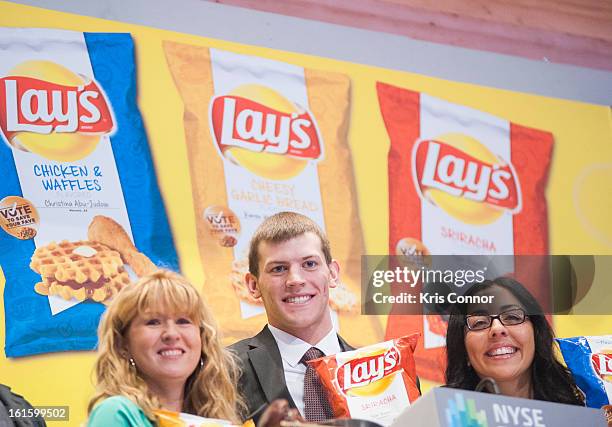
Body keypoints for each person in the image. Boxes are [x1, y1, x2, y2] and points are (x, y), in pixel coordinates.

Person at [229, 212, 354, 424]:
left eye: (310, 264)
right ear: (253, 285)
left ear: (333, 274)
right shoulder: (224, 371)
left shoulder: (389, 373)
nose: (295, 280)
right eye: (279, 269)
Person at [87, 270, 246, 426]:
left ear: (203, 339)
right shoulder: (116, 413)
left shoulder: (214, 417)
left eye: (183, 321)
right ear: (123, 344)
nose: (171, 334)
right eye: (153, 322)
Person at [445, 276, 584, 405]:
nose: (497, 329)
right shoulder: (439, 416)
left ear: (536, 334)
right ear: (463, 349)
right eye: (479, 322)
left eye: (512, 317)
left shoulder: (585, 410)